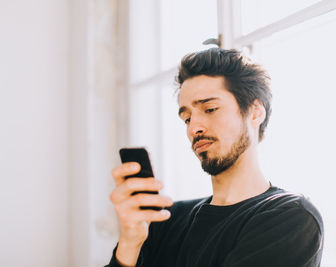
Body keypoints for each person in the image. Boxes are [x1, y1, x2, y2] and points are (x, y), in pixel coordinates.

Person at [106, 48, 324, 267]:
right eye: (187, 118)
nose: (194, 128)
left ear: (255, 112)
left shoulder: (290, 217)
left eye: (210, 109)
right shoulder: (166, 220)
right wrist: (130, 243)